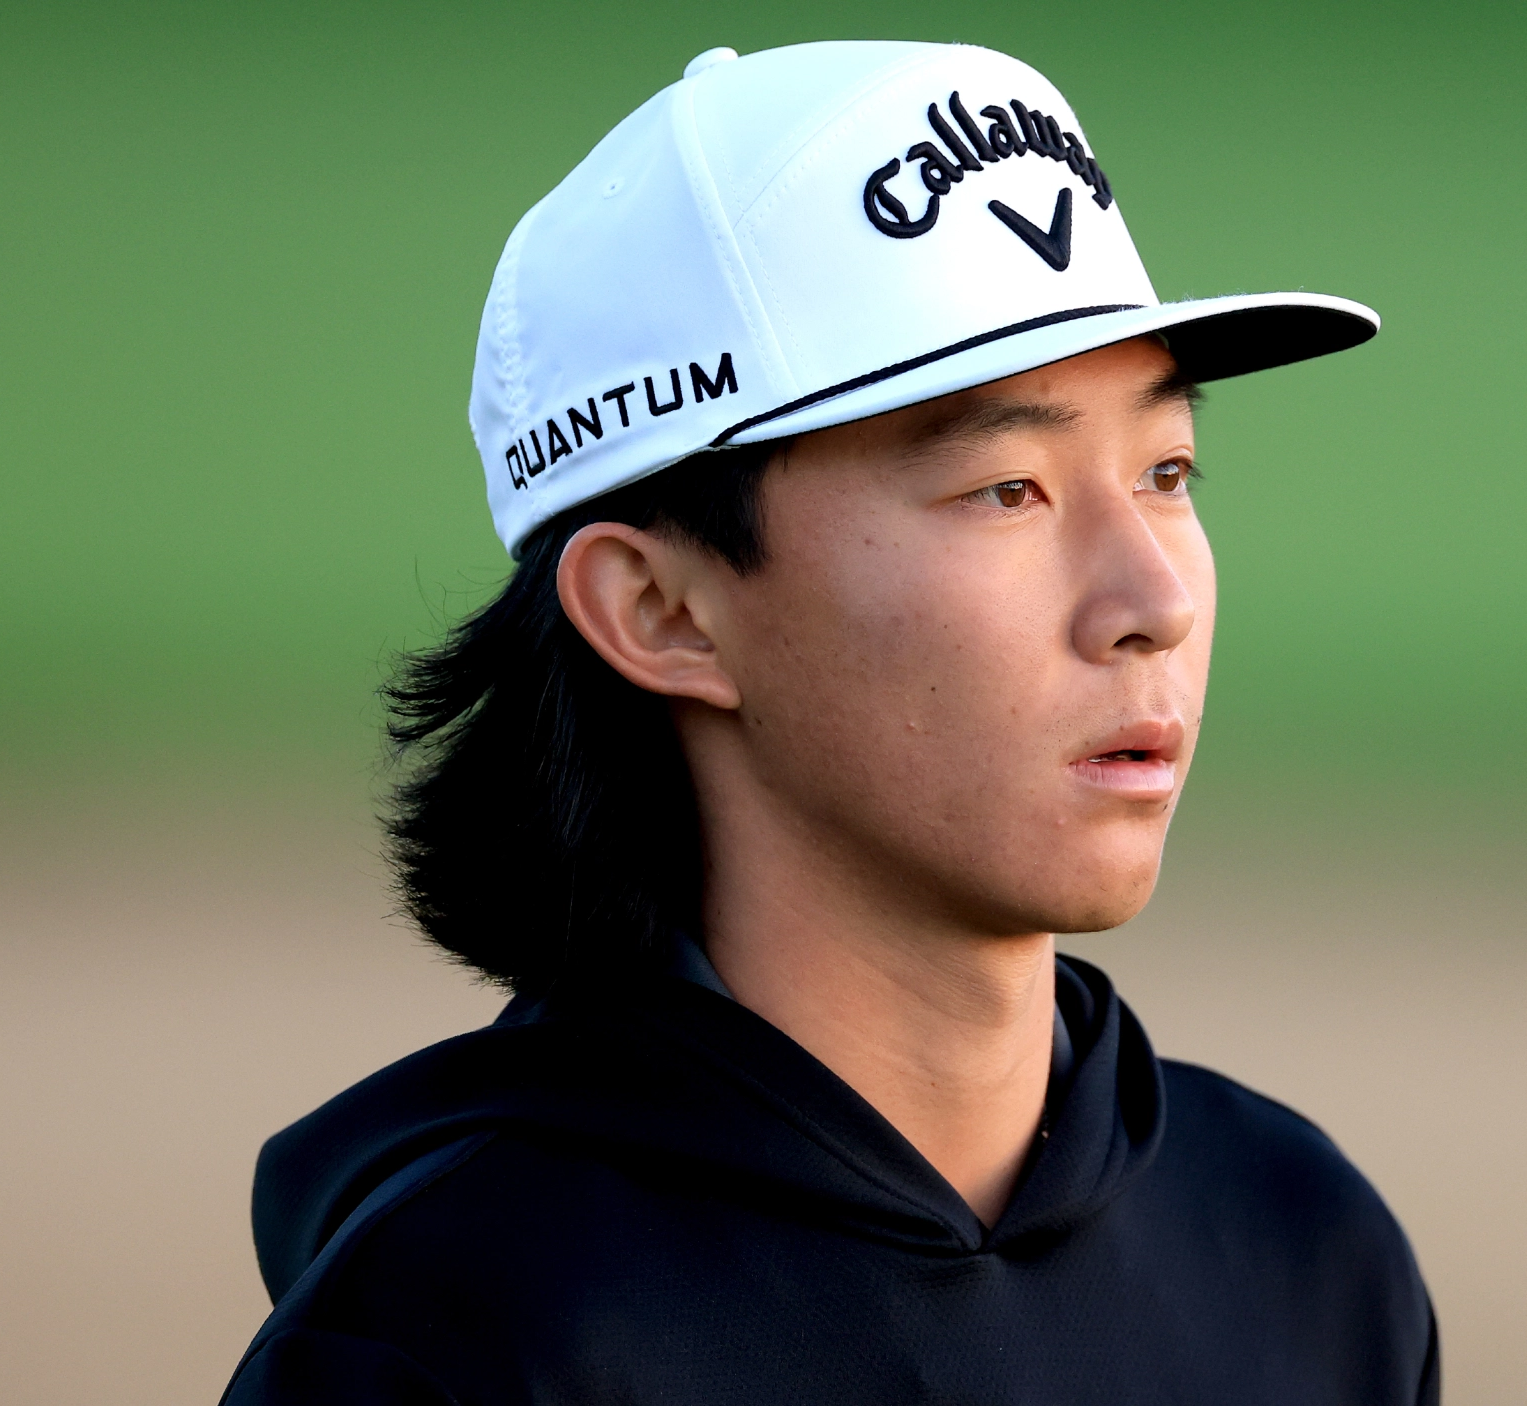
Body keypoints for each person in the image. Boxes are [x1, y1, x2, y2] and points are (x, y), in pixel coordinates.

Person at [221, 39, 1436, 1405]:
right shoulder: (458, 1340)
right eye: (1007, 489)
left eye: (1166, 470)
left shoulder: (1307, 1259)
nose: (1153, 600)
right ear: (663, 611)